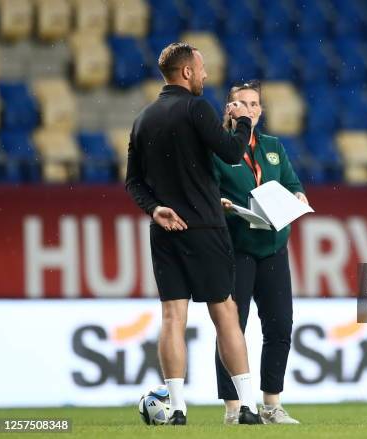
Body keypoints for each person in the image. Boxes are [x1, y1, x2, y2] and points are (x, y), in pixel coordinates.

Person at [125, 42, 263, 425]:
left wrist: (154, 208)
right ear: (186, 72)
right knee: (225, 313)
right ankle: (248, 405)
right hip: (204, 227)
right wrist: (243, 123)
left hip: (165, 230)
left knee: (172, 317)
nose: (204, 76)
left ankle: (177, 408)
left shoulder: (144, 118)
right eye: (201, 69)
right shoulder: (196, 108)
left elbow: (133, 182)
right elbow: (233, 153)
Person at [212, 80, 307, 425]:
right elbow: (206, 193)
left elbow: (293, 184)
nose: (248, 109)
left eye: (254, 104)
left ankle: (271, 405)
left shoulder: (272, 146)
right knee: (231, 328)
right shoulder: (219, 150)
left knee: (280, 326)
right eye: (241, 104)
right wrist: (220, 206)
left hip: (273, 246)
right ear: (229, 110)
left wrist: (299, 198)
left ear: (261, 111)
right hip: (236, 248)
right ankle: (234, 408)